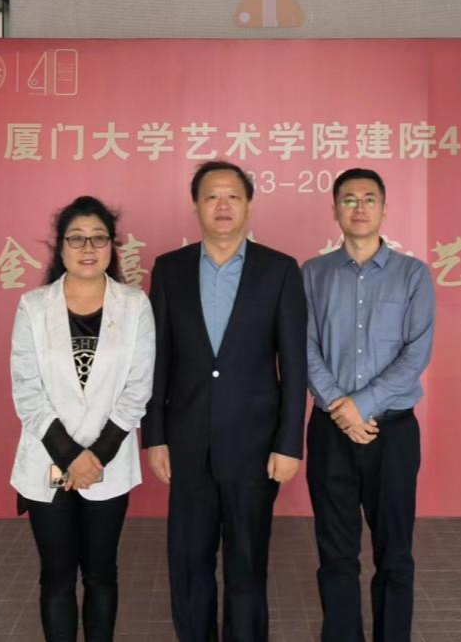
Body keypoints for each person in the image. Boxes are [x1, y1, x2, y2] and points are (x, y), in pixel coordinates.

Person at [143, 160, 308, 642]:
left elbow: (293, 365)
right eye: (211, 196)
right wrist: (155, 436)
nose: (222, 206)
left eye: (233, 196)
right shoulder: (170, 270)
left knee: (246, 565)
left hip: (254, 447)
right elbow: (158, 360)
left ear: (248, 206)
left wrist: (289, 444)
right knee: (189, 565)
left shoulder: (279, 270)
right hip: (187, 444)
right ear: (195, 205)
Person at [10, 195, 155, 642]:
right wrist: (72, 457)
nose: (88, 248)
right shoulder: (34, 306)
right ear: (60, 247)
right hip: (48, 460)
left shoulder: (135, 305)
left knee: (100, 573)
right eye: (76, 239)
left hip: (107, 463)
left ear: (112, 246)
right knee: (56, 575)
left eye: (98, 238)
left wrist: (97, 457)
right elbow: (27, 391)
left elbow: (138, 389)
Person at [302, 168, 434, 642]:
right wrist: (341, 408)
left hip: (392, 432)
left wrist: (362, 404)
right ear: (335, 209)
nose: (359, 208)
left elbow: (416, 353)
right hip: (330, 432)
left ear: (384, 208)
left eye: (369, 199)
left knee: (394, 553)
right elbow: (304, 347)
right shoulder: (312, 274)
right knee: (336, 554)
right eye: (349, 199)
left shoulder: (413, 275)